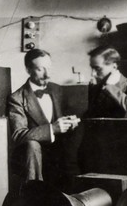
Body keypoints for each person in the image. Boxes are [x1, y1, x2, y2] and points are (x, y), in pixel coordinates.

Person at [6, 48, 80, 186]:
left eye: (49, 68)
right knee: (31, 145)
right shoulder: (16, 98)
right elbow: (18, 135)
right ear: (28, 70)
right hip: (34, 158)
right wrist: (52, 129)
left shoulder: (57, 89)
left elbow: (66, 117)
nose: (47, 75)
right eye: (41, 69)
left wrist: (72, 122)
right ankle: (34, 194)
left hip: (60, 155)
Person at [85, 45, 127, 119]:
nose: (93, 74)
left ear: (114, 66)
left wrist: (111, 87)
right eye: (92, 68)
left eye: (98, 68)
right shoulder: (96, 86)